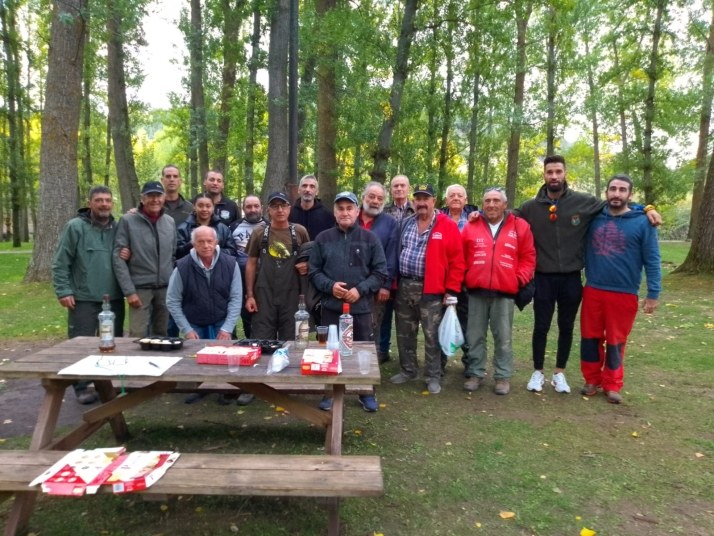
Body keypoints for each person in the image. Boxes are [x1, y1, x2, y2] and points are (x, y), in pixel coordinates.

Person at [468, 155, 661, 394]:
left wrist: (648, 209)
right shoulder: (531, 206)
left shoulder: (583, 202)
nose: (554, 176)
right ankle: (537, 372)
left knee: (566, 326)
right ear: (545, 176)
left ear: (565, 174)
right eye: (550, 172)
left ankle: (559, 373)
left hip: (571, 277)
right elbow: (501, 213)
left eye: (558, 171)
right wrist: (477, 214)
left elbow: (617, 204)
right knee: (541, 326)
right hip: (543, 277)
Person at [579, 174, 661, 404]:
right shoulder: (594, 217)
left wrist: (653, 293)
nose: (616, 193)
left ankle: (612, 384)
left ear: (630, 195)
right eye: (613, 189)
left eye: (622, 190)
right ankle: (591, 379)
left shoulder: (643, 222)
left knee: (616, 341)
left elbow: (652, 259)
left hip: (624, 292)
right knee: (590, 338)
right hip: (594, 289)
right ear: (606, 192)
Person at [309, 191, 389, 412]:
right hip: (331, 308)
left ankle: (366, 392)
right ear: (335, 212)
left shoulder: (370, 239)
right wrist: (330, 286)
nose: (345, 212)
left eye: (349, 208)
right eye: (340, 209)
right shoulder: (323, 239)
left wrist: (360, 289)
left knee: (363, 351)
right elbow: (314, 271)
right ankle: (330, 392)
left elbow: (381, 273)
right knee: (330, 351)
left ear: (357, 211)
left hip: (361, 308)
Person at [52, 186, 125, 404]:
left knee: (113, 343)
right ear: (90, 203)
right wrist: (63, 290)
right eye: (99, 200)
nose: (104, 204)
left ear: (112, 203)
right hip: (83, 298)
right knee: (80, 343)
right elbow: (60, 262)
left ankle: (108, 384)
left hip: (113, 298)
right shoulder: (75, 227)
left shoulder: (118, 228)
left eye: (108, 200)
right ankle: (82, 386)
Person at [390, 184, 465, 394]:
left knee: (432, 335)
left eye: (426, 198)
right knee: (405, 332)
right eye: (418, 198)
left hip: (431, 288)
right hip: (405, 285)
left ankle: (434, 375)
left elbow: (458, 262)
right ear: (414, 202)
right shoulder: (406, 223)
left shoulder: (446, 225)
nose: (421, 202)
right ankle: (408, 370)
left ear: (434, 201)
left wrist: (451, 291)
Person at [461, 187, 536, 395]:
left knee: (503, 337)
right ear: (482, 204)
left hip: (505, 293)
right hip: (476, 291)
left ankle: (502, 377)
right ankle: (475, 373)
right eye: (487, 201)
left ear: (505, 204)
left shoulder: (520, 226)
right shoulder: (471, 225)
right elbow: (461, 255)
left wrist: (517, 278)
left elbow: (529, 257)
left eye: (496, 200)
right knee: (475, 336)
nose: (491, 205)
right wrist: (466, 276)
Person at [167, 226, 243, 406]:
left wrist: (227, 327)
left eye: (210, 241)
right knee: (197, 359)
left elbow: (236, 298)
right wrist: (186, 329)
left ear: (216, 242)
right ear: (193, 244)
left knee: (223, 357)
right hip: (194, 321)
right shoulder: (182, 266)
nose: (206, 245)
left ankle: (225, 389)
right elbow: (172, 301)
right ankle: (199, 388)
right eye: (200, 241)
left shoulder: (231, 263)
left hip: (221, 319)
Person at [113, 181, 177, 338]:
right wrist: (129, 291)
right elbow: (118, 258)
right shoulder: (128, 221)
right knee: (137, 334)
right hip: (140, 289)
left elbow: (173, 255)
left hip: (165, 289)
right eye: (150, 196)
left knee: (162, 334)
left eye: (158, 196)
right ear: (142, 199)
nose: (155, 200)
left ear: (164, 198)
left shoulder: (170, 222)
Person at [245, 192, 310, 340]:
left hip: (292, 294)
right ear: (268, 210)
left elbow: (309, 258)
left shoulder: (300, 231)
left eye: (283, 206)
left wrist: (307, 264)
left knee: (294, 340)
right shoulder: (259, 232)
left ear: (289, 208)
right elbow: (251, 264)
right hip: (264, 295)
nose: (280, 210)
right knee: (261, 339)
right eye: (275, 206)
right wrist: (250, 296)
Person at [358, 182, 399, 364]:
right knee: (348, 327)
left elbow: (392, 256)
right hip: (349, 286)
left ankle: (369, 370)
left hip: (376, 288)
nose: (375, 201)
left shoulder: (390, 223)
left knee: (371, 328)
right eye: (371, 197)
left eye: (380, 198)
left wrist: (386, 285)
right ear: (363, 198)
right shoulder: (349, 216)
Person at [439, 184, 478, 371]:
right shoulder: (437, 218)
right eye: (451, 195)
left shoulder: (475, 220)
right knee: (439, 320)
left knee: (467, 322)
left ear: (466, 200)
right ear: (446, 200)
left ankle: (470, 364)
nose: (455, 198)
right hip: (442, 280)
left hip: (467, 282)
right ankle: (439, 363)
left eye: (459, 195)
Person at [230, 194, 266, 338]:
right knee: (247, 315)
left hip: (264, 278)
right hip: (240, 279)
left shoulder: (270, 226)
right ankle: (250, 341)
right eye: (249, 207)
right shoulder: (233, 227)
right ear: (243, 209)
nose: (253, 210)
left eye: (256, 206)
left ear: (261, 208)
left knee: (264, 314)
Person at [176, 194, 237, 259]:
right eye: (200, 206)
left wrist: (213, 250)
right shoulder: (183, 228)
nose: (204, 209)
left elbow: (232, 251)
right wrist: (192, 244)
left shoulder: (223, 229)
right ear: (194, 207)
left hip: (219, 266)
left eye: (208, 206)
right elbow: (178, 253)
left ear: (213, 207)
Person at [288, 174, 335, 239]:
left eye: (312, 186)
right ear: (299, 190)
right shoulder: (289, 213)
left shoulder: (327, 216)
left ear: (317, 192)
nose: (307, 190)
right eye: (304, 186)